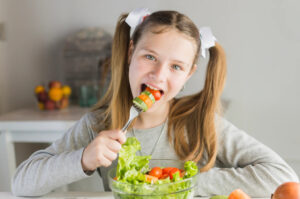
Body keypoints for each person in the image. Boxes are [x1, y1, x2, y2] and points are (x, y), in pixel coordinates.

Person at [11, 8, 299, 197]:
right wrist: (83, 158)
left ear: (188, 74)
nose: (158, 75)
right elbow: (21, 183)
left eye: (176, 67)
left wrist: (179, 187)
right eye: (150, 57)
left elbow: (282, 175)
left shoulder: (199, 123)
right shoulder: (98, 125)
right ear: (130, 53)